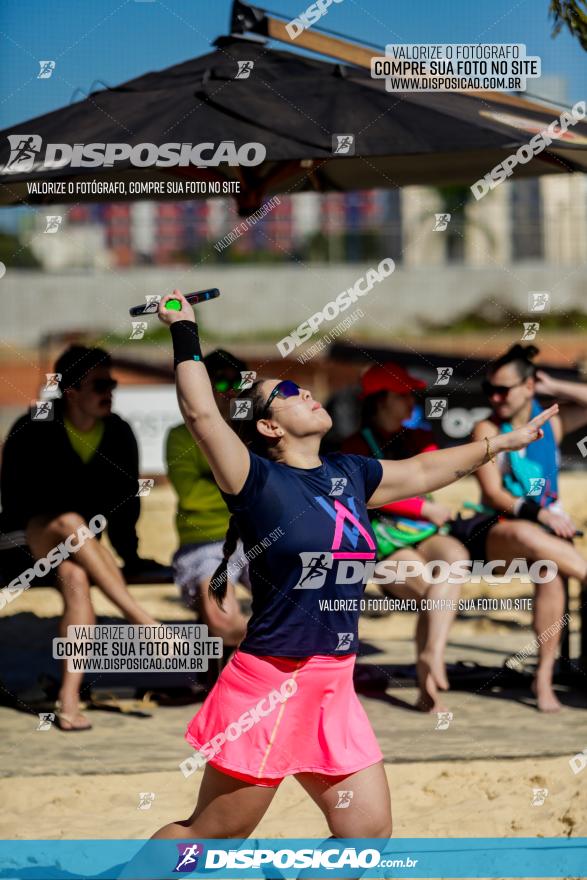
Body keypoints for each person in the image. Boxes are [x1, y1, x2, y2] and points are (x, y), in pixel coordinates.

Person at [139, 290, 555, 850]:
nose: (303, 390)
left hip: (334, 682)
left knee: (366, 833)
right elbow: (200, 413)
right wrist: (184, 328)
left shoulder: (350, 472)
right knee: (215, 833)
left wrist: (499, 443)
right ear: (268, 428)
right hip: (274, 683)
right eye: (284, 393)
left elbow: (426, 468)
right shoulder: (255, 481)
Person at [0, 345, 159, 730]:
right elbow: (15, 499)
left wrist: (131, 555)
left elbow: (125, 507)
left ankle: (68, 699)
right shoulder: (33, 426)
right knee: (70, 521)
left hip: (76, 552)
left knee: (75, 578)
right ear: (70, 390)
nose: (110, 392)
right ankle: (141, 619)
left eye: (113, 383)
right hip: (20, 543)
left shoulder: (118, 432)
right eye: (99, 385)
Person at [462, 344, 587, 712]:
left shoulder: (551, 422)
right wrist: (541, 514)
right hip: (497, 533)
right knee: (530, 535)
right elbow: (492, 493)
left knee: (549, 570)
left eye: (505, 389)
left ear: (530, 386)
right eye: (490, 390)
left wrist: (558, 387)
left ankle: (544, 677)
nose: (495, 397)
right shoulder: (486, 428)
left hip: (543, 544)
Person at [342, 364, 468, 712]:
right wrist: (423, 509)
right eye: (403, 394)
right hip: (383, 539)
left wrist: (422, 505)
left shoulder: (417, 438)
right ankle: (428, 676)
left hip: (422, 533)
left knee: (457, 560)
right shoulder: (353, 445)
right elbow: (368, 493)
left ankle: (431, 655)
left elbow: (431, 476)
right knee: (432, 590)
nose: (412, 401)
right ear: (380, 400)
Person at [166, 349, 249, 646]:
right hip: (206, 541)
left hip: (259, 537)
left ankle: (261, 679)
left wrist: (223, 485)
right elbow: (191, 495)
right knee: (224, 620)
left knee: (304, 608)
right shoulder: (179, 436)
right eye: (222, 382)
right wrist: (246, 489)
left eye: (237, 382)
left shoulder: (253, 429)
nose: (232, 390)